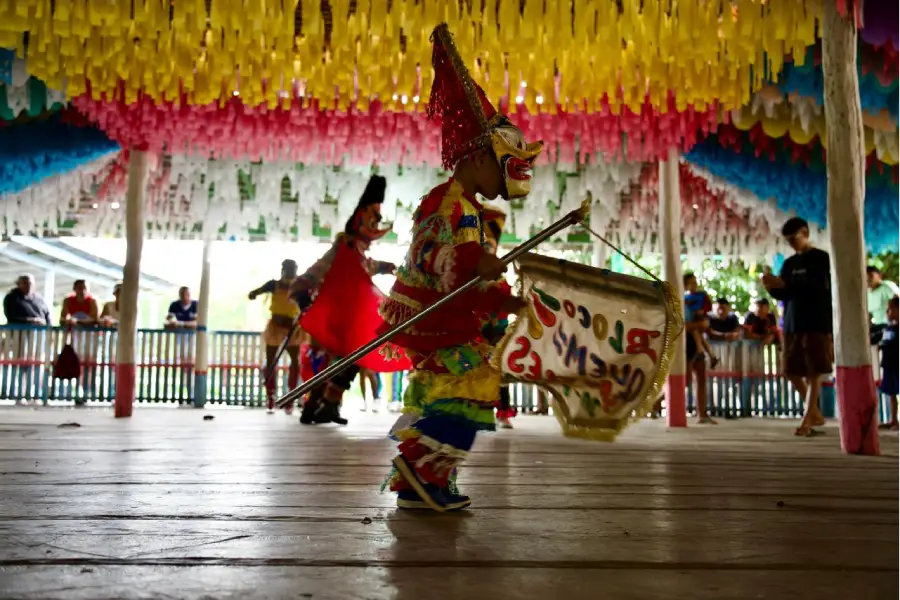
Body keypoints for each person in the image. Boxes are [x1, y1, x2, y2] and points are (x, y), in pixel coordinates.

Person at [379, 23, 537, 512]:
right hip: (439, 321)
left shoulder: (452, 201)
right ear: (477, 158)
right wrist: (500, 289)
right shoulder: (456, 208)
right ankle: (421, 473)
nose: (500, 185)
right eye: (499, 168)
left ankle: (418, 482)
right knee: (472, 391)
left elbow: (464, 270)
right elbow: (462, 274)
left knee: (441, 398)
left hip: (430, 319)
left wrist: (495, 286)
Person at [291, 175, 398, 426]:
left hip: (348, 321)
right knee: (331, 363)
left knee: (347, 361)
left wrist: (386, 267)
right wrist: (302, 297)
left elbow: (366, 268)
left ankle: (325, 405)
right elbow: (312, 275)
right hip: (331, 318)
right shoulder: (341, 252)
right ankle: (316, 405)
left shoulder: (357, 254)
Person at [761, 217, 832, 437]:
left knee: (814, 372)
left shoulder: (822, 259)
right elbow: (784, 293)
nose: (791, 244)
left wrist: (786, 284)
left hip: (816, 322)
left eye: (794, 239)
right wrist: (772, 286)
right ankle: (815, 414)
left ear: (805, 232)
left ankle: (807, 419)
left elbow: (820, 289)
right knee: (790, 370)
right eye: (788, 241)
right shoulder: (789, 263)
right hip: (792, 322)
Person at [249, 260, 304, 412]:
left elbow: (308, 301)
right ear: (283, 270)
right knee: (271, 360)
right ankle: (270, 395)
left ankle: (291, 397)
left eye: (294, 269)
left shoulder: (300, 286)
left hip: (292, 328)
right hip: (275, 326)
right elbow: (256, 292)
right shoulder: (274, 285)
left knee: (295, 361)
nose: (291, 272)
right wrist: (254, 294)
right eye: (289, 269)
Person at [481, 206, 516, 429]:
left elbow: (506, 305)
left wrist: (496, 317)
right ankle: (481, 414)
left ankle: (502, 413)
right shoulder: (469, 279)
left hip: (497, 332)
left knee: (499, 374)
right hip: (477, 333)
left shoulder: (502, 281)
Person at [685, 296, 716, 424]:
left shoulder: (697, 313)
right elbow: (684, 327)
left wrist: (708, 353)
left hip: (697, 348)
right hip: (686, 345)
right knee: (684, 381)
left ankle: (702, 413)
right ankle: (654, 405)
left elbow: (702, 334)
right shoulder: (683, 307)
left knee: (701, 380)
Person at [683, 272, 719, 368]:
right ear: (686, 286)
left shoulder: (702, 295)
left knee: (696, 331)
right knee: (699, 335)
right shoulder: (685, 298)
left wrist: (702, 311)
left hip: (699, 318)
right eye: (692, 283)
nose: (695, 285)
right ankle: (709, 355)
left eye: (695, 282)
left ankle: (701, 352)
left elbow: (709, 306)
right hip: (691, 320)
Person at [877, 297, 900, 431]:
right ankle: (893, 419)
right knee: (890, 393)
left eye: (892, 309)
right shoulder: (887, 328)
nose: (888, 312)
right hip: (888, 365)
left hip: (898, 365)